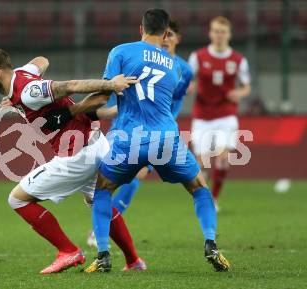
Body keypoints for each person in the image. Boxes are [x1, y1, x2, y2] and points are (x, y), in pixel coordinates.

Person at [0, 48, 144, 274]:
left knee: (17, 199)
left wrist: (110, 84)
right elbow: (42, 60)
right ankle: (134, 261)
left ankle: (68, 251)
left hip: (76, 156)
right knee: (98, 200)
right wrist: (14, 92)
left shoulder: (29, 91)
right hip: (95, 142)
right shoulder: (23, 74)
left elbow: (70, 85)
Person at [86, 8, 230, 273]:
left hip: (128, 137)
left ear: (141, 29)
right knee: (199, 186)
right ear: (166, 34)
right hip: (166, 138)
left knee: (102, 190)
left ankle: (103, 253)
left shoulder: (120, 52)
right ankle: (211, 242)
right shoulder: (176, 67)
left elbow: (102, 94)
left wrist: (80, 110)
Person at [86, 19, 194, 249]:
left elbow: (177, 99)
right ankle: (105, 227)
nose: (167, 40)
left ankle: (105, 227)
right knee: (126, 176)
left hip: (161, 131)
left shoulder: (183, 70)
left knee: (134, 175)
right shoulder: (139, 56)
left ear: (175, 38)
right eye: (167, 35)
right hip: (128, 127)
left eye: (172, 36)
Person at [188, 16, 251, 210]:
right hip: (202, 115)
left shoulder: (239, 60)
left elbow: (247, 86)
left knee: (223, 157)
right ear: (210, 33)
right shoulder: (197, 56)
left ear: (229, 34)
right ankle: (205, 192)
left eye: (223, 31)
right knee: (202, 163)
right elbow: (189, 80)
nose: (219, 35)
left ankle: (213, 197)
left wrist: (239, 93)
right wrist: (189, 86)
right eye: (215, 31)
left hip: (226, 114)